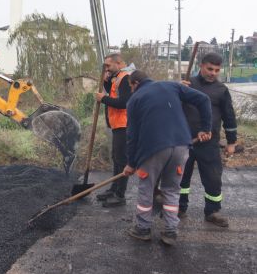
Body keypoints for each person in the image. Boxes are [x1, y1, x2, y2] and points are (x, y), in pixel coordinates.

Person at [123, 70, 212, 246]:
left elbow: (132, 135)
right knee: (172, 190)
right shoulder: (172, 86)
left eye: (131, 87)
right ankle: (170, 231)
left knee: (146, 188)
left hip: (152, 149)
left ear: (134, 84)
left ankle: (143, 228)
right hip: (181, 146)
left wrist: (131, 163)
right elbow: (204, 99)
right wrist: (206, 128)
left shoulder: (134, 99)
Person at [179, 52, 237, 227]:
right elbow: (169, 105)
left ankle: (212, 211)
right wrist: (177, 89)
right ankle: (179, 208)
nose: (213, 73)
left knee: (213, 178)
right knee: (181, 177)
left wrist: (231, 142)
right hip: (184, 140)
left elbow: (229, 116)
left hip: (209, 143)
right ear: (201, 65)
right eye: (210, 68)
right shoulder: (187, 84)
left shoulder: (221, 90)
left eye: (217, 70)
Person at [94, 53, 132, 207]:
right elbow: (113, 93)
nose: (106, 68)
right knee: (116, 158)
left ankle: (120, 195)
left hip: (124, 125)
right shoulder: (116, 78)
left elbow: (124, 102)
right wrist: (107, 83)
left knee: (121, 160)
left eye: (108, 66)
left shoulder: (125, 78)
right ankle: (114, 188)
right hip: (117, 125)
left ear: (119, 63)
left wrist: (103, 98)